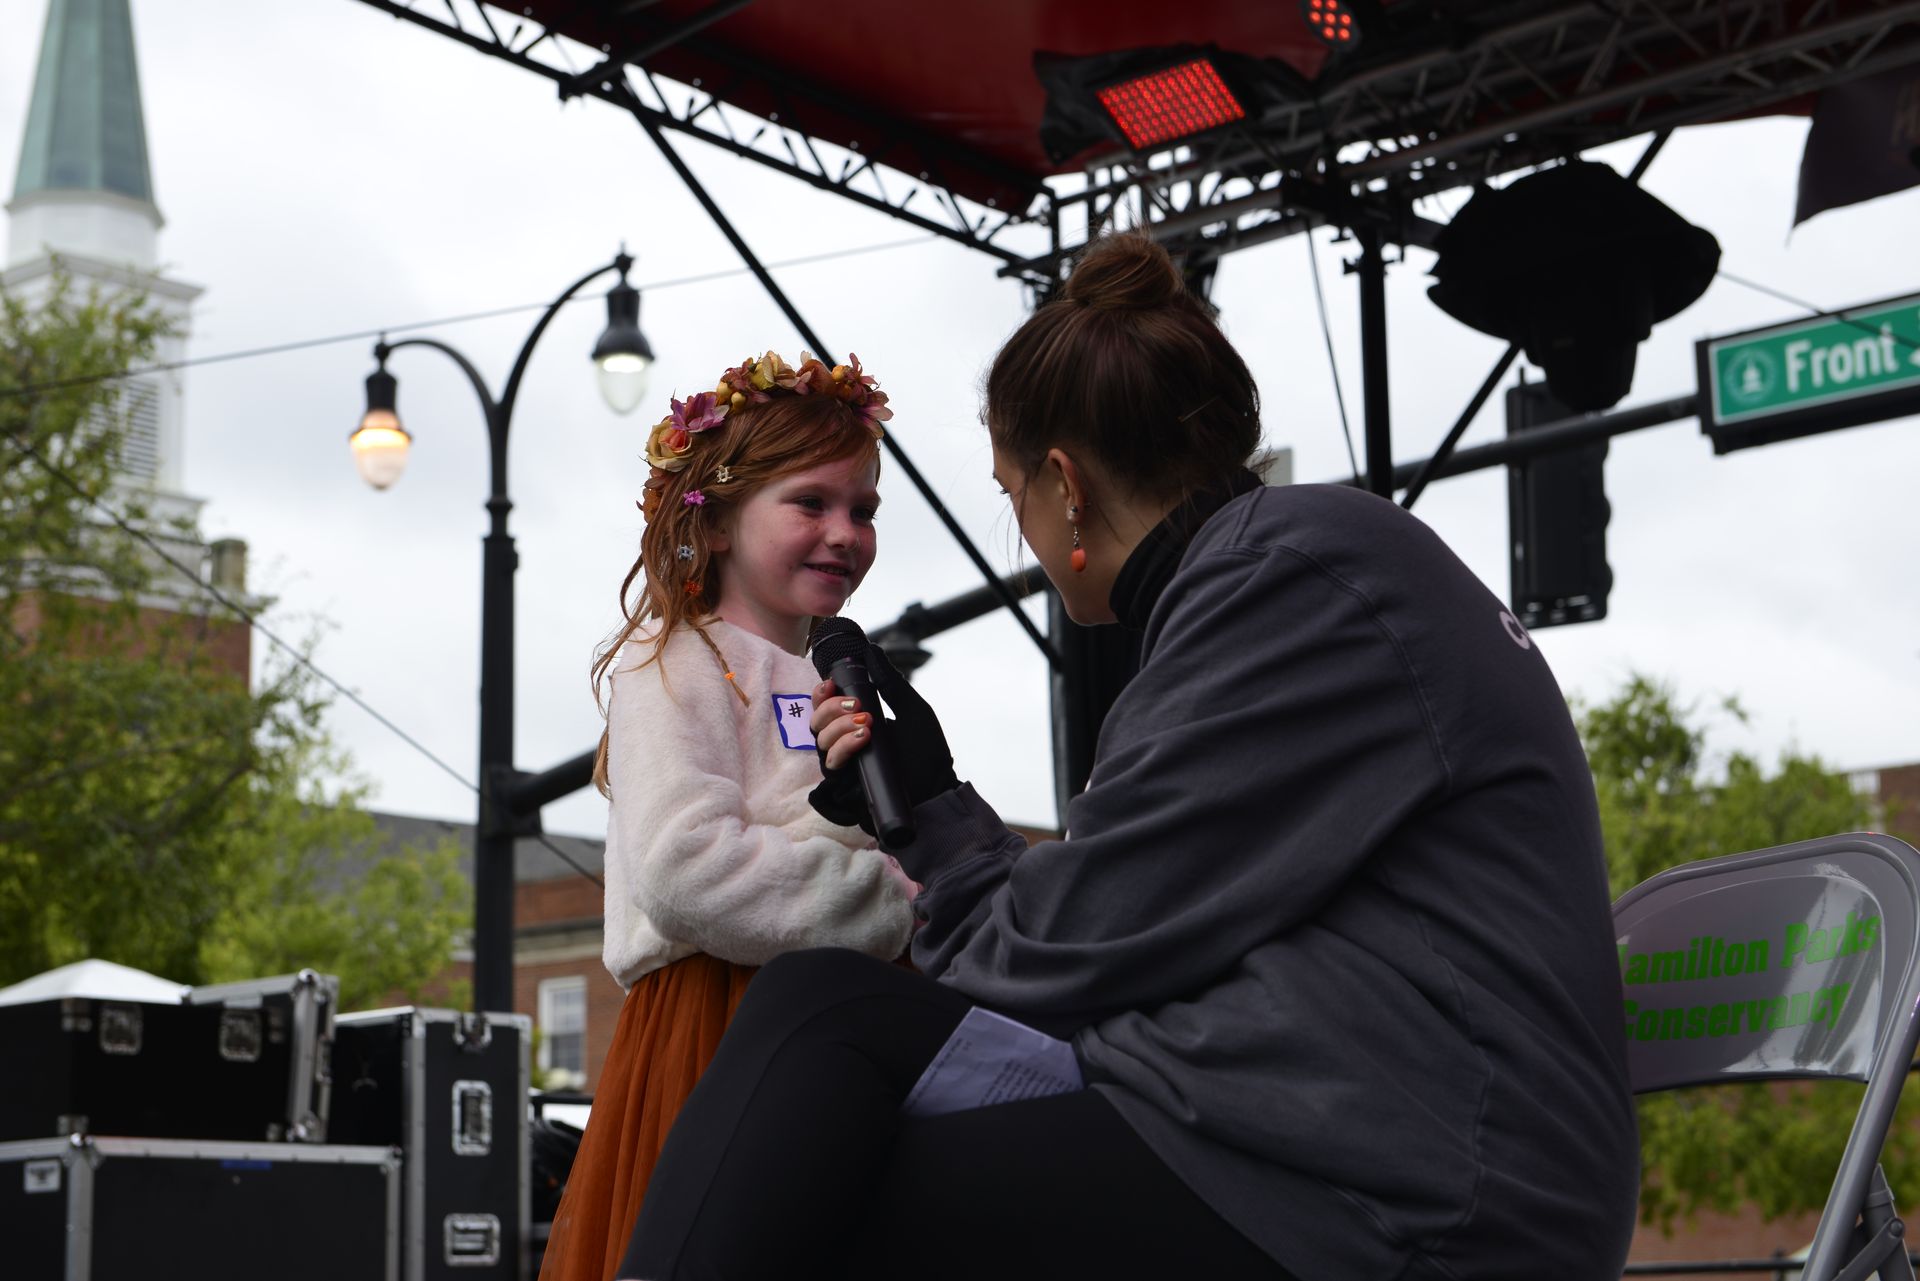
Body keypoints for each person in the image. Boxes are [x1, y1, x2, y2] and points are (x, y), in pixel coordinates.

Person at [617, 234, 1640, 1281]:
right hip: (1334, 1134)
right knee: (819, 1043)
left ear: (1064, 486)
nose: (1020, 524)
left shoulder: (1291, 582)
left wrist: (926, 811)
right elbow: (1108, 913)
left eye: (1012, 492)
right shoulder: (1290, 571)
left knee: (824, 1125)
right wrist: (934, 808)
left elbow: (1060, 947)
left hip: (1413, 1201)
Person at [538, 351, 919, 1281]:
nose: (845, 532)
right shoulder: (674, 665)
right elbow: (688, 868)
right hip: (716, 1025)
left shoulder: (840, 681)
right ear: (710, 523)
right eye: (811, 503)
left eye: (863, 509)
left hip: (836, 1027)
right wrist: (890, 898)